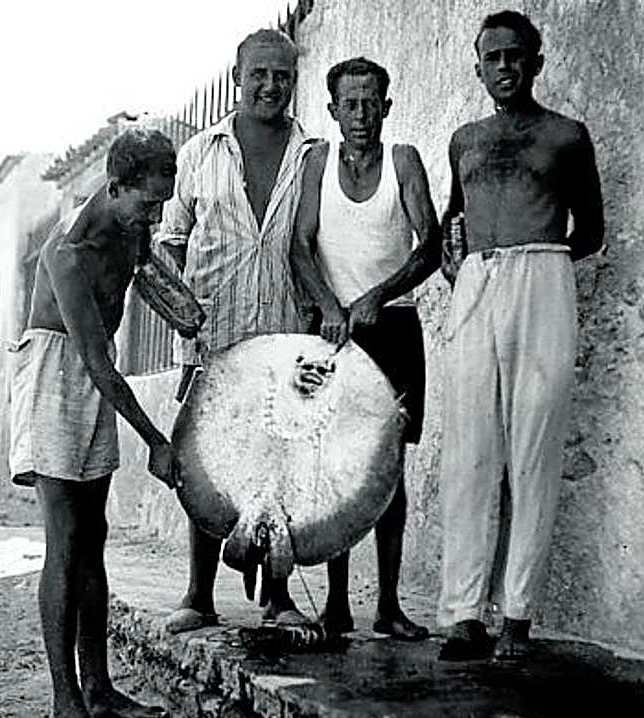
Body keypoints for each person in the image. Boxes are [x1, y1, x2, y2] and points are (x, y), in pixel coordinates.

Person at [437, 10, 604, 660]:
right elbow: (455, 215)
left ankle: (517, 616)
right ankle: (461, 613)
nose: (504, 67)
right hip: (476, 286)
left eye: (515, 56)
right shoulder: (464, 139)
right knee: (469, 454)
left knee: (533, 448)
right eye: (492, 57)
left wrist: (539, 263)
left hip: (541, 278)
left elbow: (589, 229)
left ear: (535, 62)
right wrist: (463, 262)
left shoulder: (565, 135)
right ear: (477, 66)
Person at [9, 128, 185, 718]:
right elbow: (98, 365)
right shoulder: (67, 253)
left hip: (94, 370)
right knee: (65, 535)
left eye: (162, 204)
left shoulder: (132, 230)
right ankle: (65, 703)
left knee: (96, 534)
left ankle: (100, 688)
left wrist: (190, 313)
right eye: (146, 204)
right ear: (114, 187)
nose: (154, 216)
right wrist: (156, 440)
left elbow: (151, 281)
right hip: (58, 372)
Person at [158, 29, 319, 633]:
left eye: (283, 76)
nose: (271, 86)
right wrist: (182, 318)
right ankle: (199, 596)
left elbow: (317, 244)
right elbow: (169, 243)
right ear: (237, 75)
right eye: (261, 74)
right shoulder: (200, 153)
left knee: (277, 467)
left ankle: (277, 598)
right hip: (214, 334)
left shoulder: (311, 153)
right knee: (205, 465)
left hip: (283, 334)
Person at [292, 57, 441, 640]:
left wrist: (380, 295)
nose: (360, 113)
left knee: (388, 471)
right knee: (337, 469)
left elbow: (428, 244)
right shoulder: (317, 165)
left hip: (392, 327)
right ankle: (335, 605)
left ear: (387, 105)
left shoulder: (403, 160)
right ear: (333, 111)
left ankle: (389, 605)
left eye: (370, 101)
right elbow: (300, 248)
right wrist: (331, 306)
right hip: (333, 334)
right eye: (349, 104)